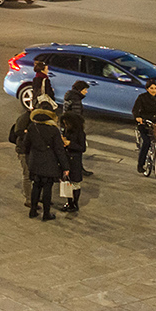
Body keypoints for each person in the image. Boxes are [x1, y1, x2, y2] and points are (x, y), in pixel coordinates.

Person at [22, 97, 69, 221]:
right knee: (47, 188)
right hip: (49, 162)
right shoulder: (53, 130)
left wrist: (29, 158)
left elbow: (25, 145)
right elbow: (59, 150)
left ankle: (32, 211)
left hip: (35, 161)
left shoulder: (32, 127)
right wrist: (65, 167)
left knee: (36, 186)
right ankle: (46, 213)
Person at [61, 82, 89, 213]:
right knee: (67, 183)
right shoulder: (67, 130)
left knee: (75, 184)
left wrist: (69, 144)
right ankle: (69, 202)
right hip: (68, 160)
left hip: (75, 160)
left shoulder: (78, 133)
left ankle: (74, 204)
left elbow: (82, 148)